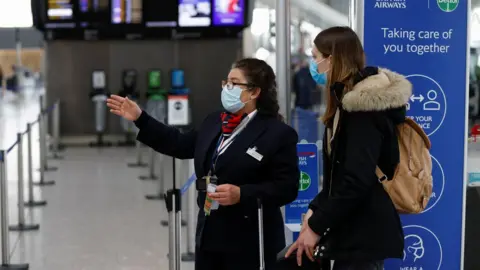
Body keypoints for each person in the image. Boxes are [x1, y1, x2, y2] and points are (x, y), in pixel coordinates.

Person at [107, 58, 300, 270]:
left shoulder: (277, 134)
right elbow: (179, 144)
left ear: (254, 92)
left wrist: (242, 194)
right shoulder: (216, 121)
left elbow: (286, 188)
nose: (228, 88)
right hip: (210, 234)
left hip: (251, 241)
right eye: (226, 82)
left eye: (235, 83)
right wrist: (141, 118)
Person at [286, 26, 409, 269]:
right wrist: (315, 212)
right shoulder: (345, 103)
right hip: (352, 228)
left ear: (330, 59)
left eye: (315, 57)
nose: (313, 64)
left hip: (364, 231)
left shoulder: (361, 109)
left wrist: (317, 226)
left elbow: (356, 179)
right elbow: (339, 175)